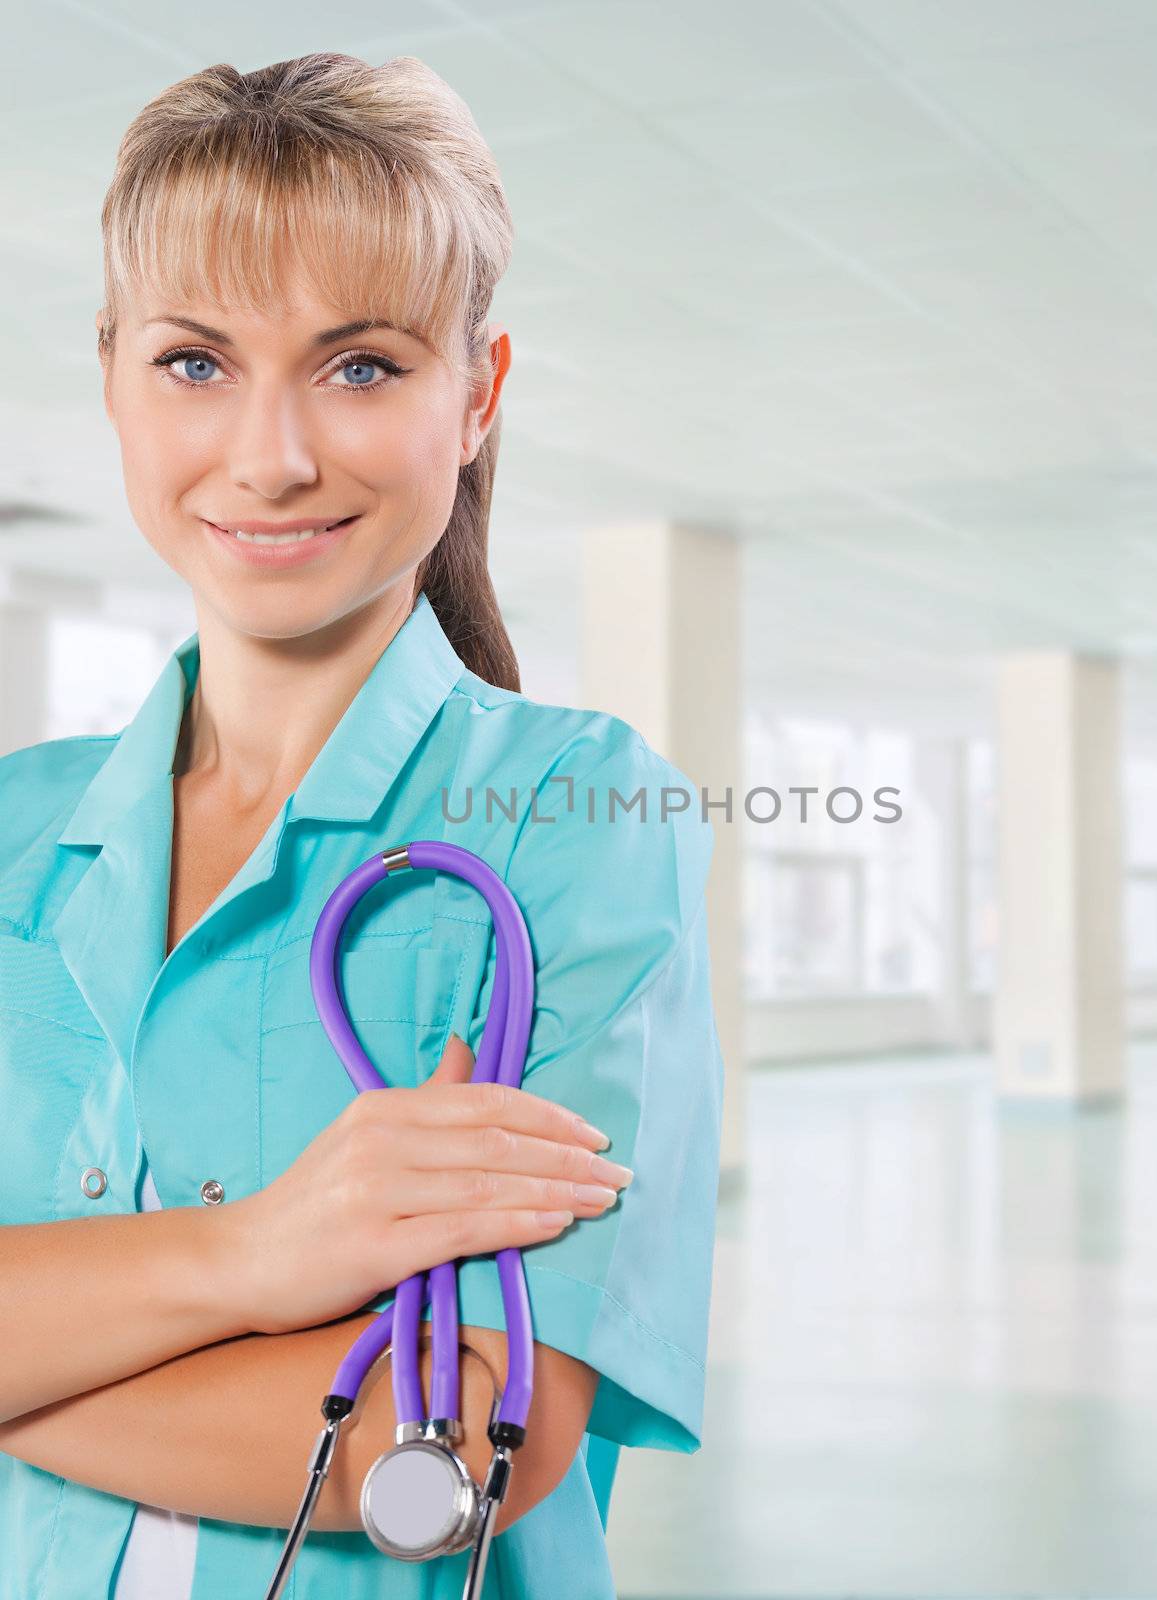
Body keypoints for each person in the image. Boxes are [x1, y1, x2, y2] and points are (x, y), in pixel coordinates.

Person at [0, 52, 723, 1600]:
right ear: (113, 376)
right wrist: (258, 1256)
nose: (270, 454)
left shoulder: (577, 819)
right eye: (197, 361)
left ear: (480, 395)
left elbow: (455, 1449)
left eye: (361, 365)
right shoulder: (10, 830)